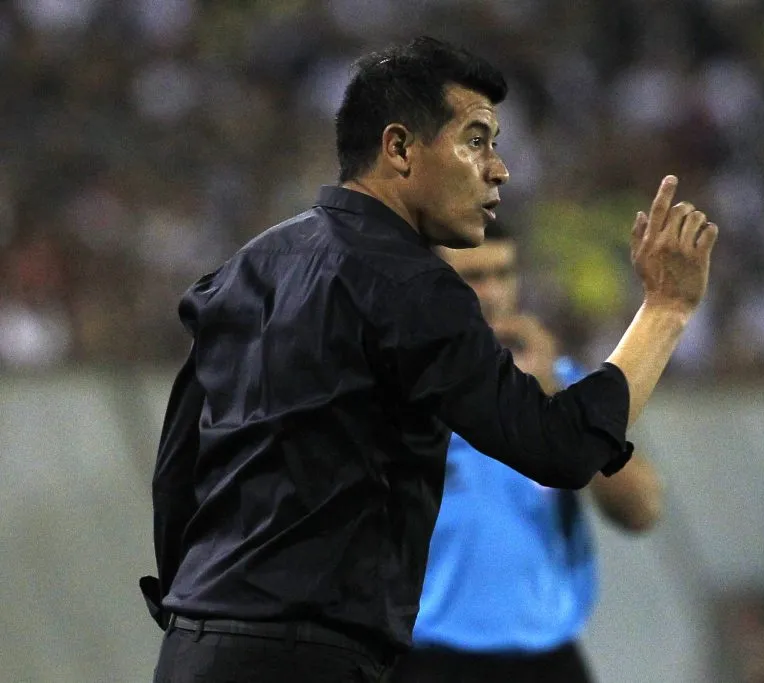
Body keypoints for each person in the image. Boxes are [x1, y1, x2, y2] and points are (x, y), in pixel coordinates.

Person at [142, 35, 718, 683]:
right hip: (314, 658)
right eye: (476, 140)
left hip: (195, 647)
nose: (499, 169)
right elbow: (561, 449)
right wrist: (665, 308)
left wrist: (202, 615)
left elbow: (177, 472)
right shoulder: (413, 284)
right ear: (399, 148)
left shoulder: (246, 269)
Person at [389, 223, 663, 683]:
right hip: (428, 661)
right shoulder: (392, 392)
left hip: (546, 661)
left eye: (504, 273)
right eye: (473, 277)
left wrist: (556, 398)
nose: (493, 292)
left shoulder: (563, 385)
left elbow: (641, 512)